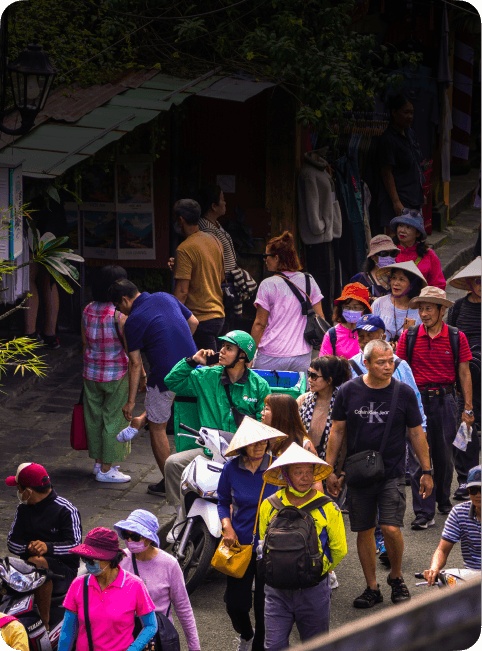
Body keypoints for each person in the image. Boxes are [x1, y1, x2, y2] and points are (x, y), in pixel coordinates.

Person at [325, 339, 433, 608]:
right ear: (367, 363)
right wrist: (329, 470)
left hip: (392, 472)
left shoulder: (404, 393)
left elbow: (416, 433)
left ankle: (396, 577)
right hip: (359, 473)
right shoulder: (348, 391)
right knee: (364, 530)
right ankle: (372, 587)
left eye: (390, 361)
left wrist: (427, 471)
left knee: (390, 527)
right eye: (381, 362)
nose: (388, 366)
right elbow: (337, 431)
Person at [163, 331, 271, 534]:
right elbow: (171, 382)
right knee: (173, 464)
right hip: (210, 451)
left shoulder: (259, 386)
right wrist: (192, 361)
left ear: (243, 356)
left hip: (244, 454)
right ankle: (181, 514)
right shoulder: (206, 376)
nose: (221, 351)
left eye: (228, 348)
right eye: (222, 346)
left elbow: (263, 422)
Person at [108, 279, 198, 496]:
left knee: (158, 428)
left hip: (165, 376)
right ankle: (143, 418)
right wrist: (178, 348)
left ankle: (170, 482)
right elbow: (194, 322)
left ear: (124, 300)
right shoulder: (165, 296)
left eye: (119, 307)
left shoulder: (133, 321)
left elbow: (135, 363)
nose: (120, 311)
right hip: (193, 367)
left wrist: (130, 402)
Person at [349, 314, 427, 561]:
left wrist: (420, 434)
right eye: (361, 335)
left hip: (393, 444)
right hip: (361, 448)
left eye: (370, 334)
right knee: (365, 504)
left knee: (390, 494)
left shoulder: (400, 365)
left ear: (383, 335)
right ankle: (374, 543)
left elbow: (414, 399)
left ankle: (385, 544)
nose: (365, 339)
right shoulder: (350, 366)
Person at [397, 286, 474, 529]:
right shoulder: (408, 336)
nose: (423, 314)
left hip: (446, 399)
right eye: (421, 309)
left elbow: (464, 372)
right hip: (416, 400)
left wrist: (468, 408)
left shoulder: (455, 336)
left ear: (442, 311)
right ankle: (423, 510)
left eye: (428, 308)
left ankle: (442, 499)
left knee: (443, 454)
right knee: (420, 456)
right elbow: (400, 371)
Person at [259, 443, 347, 648]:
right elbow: (263, 544)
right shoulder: (269, 505)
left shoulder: (328, 507)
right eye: (298, 472)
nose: (305, 477)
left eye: (310, 472)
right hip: (276, 592)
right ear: (285, 475)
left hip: (313, 590)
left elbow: (340, 548)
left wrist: (315, 570)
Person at [217, 417, 285, 651]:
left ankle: (259, 645)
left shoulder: (278, 468)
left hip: (272, 546)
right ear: (243, 445)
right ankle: (246, 633)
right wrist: (227, 526)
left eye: (263, 442)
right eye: (254, 443)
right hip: (240, 544)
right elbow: (223, 501)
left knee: (264, 605)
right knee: (235, 604)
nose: (259, 446)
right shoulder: (231, 468)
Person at [6, 463, 82, 630]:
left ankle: (44, 624)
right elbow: (12, 542)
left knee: (37, 562)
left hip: (63, 572)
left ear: (28, 491)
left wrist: (48, 547)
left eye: (19, 489)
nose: (19, 493)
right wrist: (29, 547)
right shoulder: (23, 509)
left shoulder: (67, 510)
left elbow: (76, 545)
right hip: (28, 565)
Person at [57, 528, 157, 651]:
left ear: (110, 559)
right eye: (85, 559)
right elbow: (67, 631)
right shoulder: (79, 585)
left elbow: (150, 625)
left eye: (92, 559)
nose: (88, 564)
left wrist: (133, 649)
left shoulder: (135, 585)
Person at [114, 509, 200, 651]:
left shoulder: (169, 564)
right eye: (125, 534)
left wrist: (194, 647)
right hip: (125, 636)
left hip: (158, 637)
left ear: (149, 538)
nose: (129, 541)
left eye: (135, 536)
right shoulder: (121, 560)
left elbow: (183, 608)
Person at [82, 265, 135, 482]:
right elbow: (129, 348)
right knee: (114, 419)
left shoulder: (88, 309)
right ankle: (106, 469)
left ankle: (97, 463)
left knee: (94, 418)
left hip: (90, 372)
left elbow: (84, 342)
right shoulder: (119, 315)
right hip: (116, 373)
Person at [251, 231, 324, 373]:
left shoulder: (268, 284)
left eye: (266, 256)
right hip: (301, 355)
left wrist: (248, 355)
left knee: (265, 394)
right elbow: (320, 317)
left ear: (276, 258)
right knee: (297, 394)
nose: (264, 260)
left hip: (270, 354)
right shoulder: (309, 281)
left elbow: (260, 324)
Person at [447, 258, 481, 499]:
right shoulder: (458, 306)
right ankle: (465, 479)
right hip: (465, 374)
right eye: (478, 281)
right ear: (469, 283)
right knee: (464, 425)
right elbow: (450, 340)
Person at [173, 198, 225, 350]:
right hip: (218, 315)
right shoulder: (215, 240)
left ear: (181, 220)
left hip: (199, 318)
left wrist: (172, 317)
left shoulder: (185, 248)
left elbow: (182, 292)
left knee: (206, 368)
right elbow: (221, 276)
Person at [423, 464, 481, 584]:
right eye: (473, 490)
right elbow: (442, 550)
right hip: (472, 578)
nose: (478, 495)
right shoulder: (459, 512)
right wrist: (434, 568)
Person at [378, 94, 424, 229]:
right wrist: (396, 202)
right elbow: (387, 173)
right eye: (406, 112)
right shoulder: (388, 139)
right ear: (394, 112)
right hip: (400, 198)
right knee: (398, 236)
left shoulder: (410, 134)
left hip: (413, 196)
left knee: (414, 237)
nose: (410, 116)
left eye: (412, 113)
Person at [197, 184, 239, 334]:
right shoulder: (206, 227)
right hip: (219, 282)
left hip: (226, 279)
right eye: (222, 199)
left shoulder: (215, 224)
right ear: (213, 206)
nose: (225, 203)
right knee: (223, 323)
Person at [297, 356, 352, 461]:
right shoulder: (302, 401)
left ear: (329, 380)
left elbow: (344, 443)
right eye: (309, 373)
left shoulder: (342, 404)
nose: (309, 379)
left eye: (313, 376)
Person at [371, 261, 426, 345]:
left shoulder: (420, 309)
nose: (396, 283)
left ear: (412, 284)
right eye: (393, 278)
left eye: (401, 279)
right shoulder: (379, 303)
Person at [390, 210, 446, 289]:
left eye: (408, 227)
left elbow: (439, 284)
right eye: (400, 225)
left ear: (418, 233)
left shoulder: (428, 254)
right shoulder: (389, 251)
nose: (402, 230)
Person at [318, 283, 372, 358]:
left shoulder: (371, 331)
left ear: (365, 310)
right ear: (341, 308)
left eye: (356, 307)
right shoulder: (332, 334)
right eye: (347, 307)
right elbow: (324, 363)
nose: (351, 310)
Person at [350, 234, 401, 299]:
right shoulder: (359, 279)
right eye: (384, 254)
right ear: (373, 256)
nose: (389, 257)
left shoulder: (399, 280)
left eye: (393, 253)